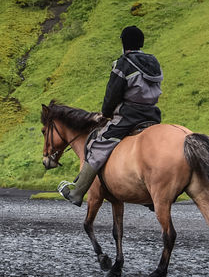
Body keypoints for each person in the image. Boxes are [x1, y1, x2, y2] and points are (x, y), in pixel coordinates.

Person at [59, 25, 163, 205]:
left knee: (99, 143)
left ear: (124, 44)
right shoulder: (153, 62)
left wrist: (106, 113)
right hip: (152, 115)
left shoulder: (124, 63)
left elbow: (112, 94)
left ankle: (77, 192)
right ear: (141, 43)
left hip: (128, 116)